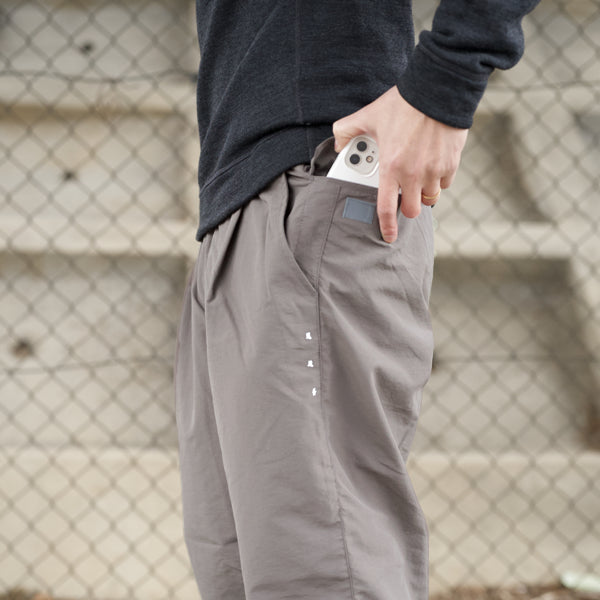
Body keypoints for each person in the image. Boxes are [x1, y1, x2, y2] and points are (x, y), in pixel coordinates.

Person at [174, 1, 541, 599]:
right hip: (235, 208)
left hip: (312, 192)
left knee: (319, 575)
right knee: (237, 570)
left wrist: (446, 81)